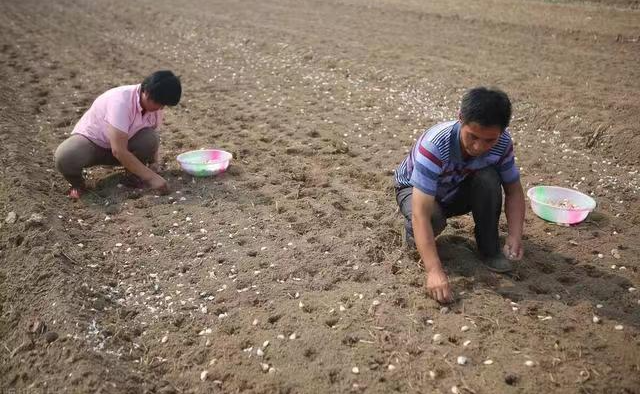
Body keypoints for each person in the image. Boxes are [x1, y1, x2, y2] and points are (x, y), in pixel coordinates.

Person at [394, 87, 525, 303]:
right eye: (472, 136)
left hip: (456, 187)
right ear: (460, 118)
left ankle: (490, 249)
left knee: (489, 178)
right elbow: (421, 213)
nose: (479, 146)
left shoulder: (502, 144)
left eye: (489, 140)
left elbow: (514, 191)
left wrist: (514, 235)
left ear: (501, 132)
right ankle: (412, 237)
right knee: (432, 217)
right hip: (415, 191)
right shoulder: (435, 145)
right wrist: (434, 270)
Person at [54, 70, 181, 199]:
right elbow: (118, 151)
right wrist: (152, 177)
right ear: (147, 93)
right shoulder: (120, 101)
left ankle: (133, 175)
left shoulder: (154, 107)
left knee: (150, 138)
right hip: (94, 144)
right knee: (66, 156)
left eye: (164, 105)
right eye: (160, 104)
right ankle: (78, 185)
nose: (161, 108)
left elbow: (151, 134)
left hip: (123, 148)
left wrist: (154, 162)